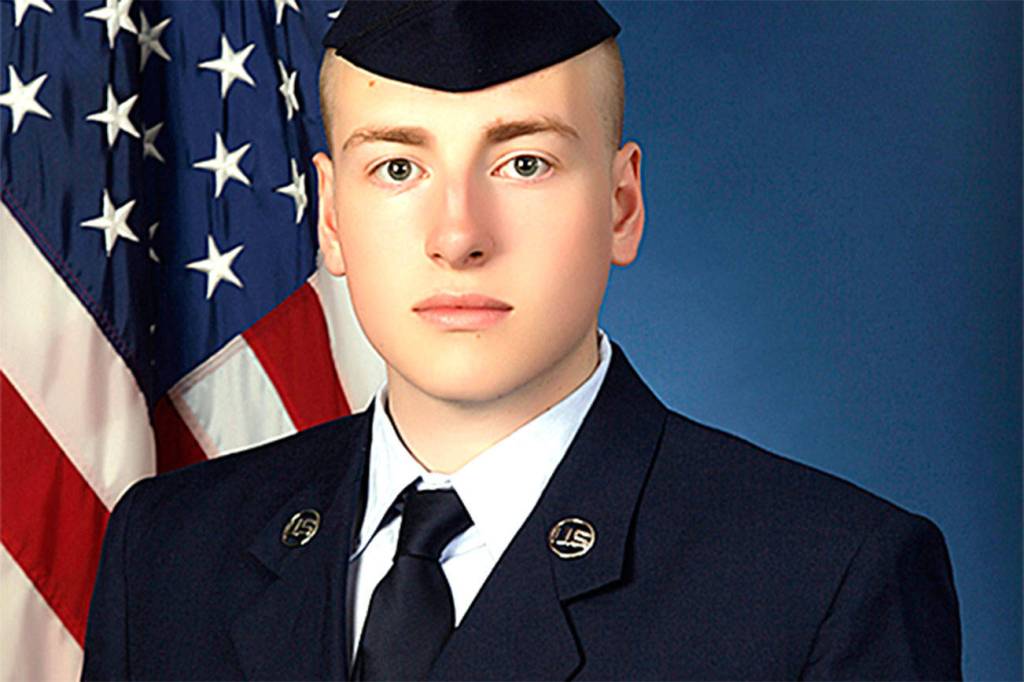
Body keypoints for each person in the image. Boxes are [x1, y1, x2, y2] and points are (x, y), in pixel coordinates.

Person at [82, 1, 962, 679]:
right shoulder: (168, 554)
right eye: (398, 167)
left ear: (621, 205)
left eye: (524, 163)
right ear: (334, 218)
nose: (459, 235)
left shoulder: (823, 583)